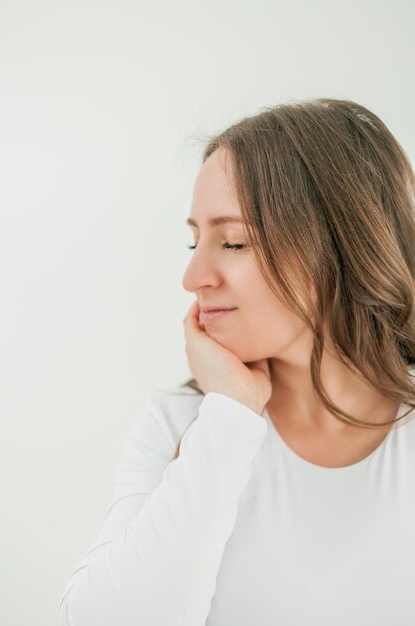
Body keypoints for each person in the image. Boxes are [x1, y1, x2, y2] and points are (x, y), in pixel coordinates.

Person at [59, 98, 415, 626]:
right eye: (194, 240)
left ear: (340, 243)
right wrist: (227, 418)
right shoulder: (177, 426)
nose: (193, 276)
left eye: (233, 241)